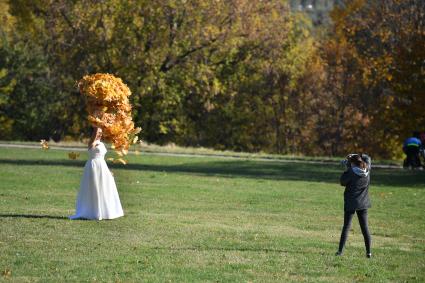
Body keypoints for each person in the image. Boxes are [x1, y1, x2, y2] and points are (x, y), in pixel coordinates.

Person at [70, 127, 124, 220]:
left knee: (105, 187)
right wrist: (96, 128)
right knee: (94, 187)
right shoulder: (92, 143)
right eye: (98, 132)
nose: (100, 134)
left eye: (101, 132)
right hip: (93, 166)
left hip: (102, 166)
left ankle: (105, 211)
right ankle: (93, 211)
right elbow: (92, 145)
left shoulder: (101, 143)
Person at [336, 153, 372, 258]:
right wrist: (357, 155)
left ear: (352, 163)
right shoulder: (367, 170)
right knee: (365, 228)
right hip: (364, 203)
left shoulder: (351, 172)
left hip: (351, 203)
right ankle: (368, 252)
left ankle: (340, 251)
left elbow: (342, 182)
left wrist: (347, 168)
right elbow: (368, 158)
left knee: (346, 227)